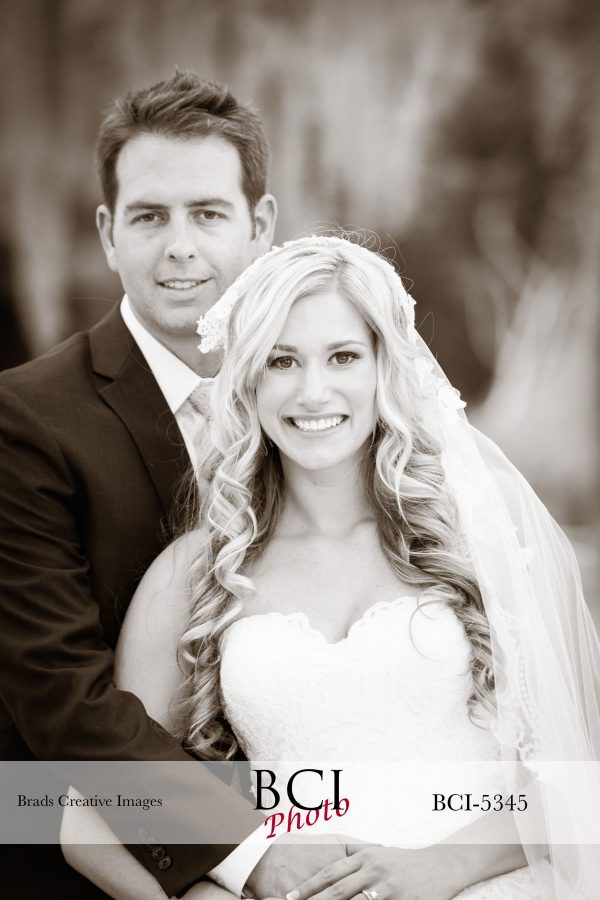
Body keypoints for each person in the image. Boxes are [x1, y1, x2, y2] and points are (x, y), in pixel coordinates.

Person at [60, 234, 600, 899]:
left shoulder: (478, 538)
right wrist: (220, 886)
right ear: (248, 379)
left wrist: (443, 866)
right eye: (282, 360)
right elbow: (92, 815)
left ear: (384, 368)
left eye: (342, 356)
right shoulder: (194, 573)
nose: (313, 392)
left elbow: (581, 779)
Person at [0, 72, 341, 900]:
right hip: (92, 857)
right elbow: (64, 699)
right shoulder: (25, 420)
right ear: (109, 233)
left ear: (261, 226)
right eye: (150, 216)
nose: (179, 246)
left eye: (208, 214)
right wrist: (253, 856)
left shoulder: (322, 403)